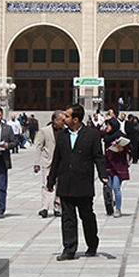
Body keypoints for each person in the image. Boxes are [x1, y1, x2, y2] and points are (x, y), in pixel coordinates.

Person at [46, 104, 109, 260]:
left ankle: (92, 244)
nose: (63, 119)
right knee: (68, 218)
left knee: (87, 216)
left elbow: (98, 157)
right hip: (65, 182)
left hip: (83, 183)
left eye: (67, 116)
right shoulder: (62, 135)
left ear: (75, 119)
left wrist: (103, 175)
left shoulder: (92, 134)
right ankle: (69, 249)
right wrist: (51, 180)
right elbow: (57, 159)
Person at [34, 110, 65, 218]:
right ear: (55, 120)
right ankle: (44, 208)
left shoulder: (65, 131)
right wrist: (36, 163)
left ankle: (57, 207)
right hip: (48, 162)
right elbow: (39, 146)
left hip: (61, 163)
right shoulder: (45, 131)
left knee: (60, 186)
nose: (64, 122)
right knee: (46, 185)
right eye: (62, 120)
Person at [102, 118, 130, 217]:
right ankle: (112, 203)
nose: (107, 127)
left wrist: (121, 148)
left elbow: (128, 148)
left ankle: (118, 209)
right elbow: (96, 132)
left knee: (116, 187)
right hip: (108, 165)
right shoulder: (107, 136)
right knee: (109, 187)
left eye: (108, 125)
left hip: (118, 165)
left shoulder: (120, 136)